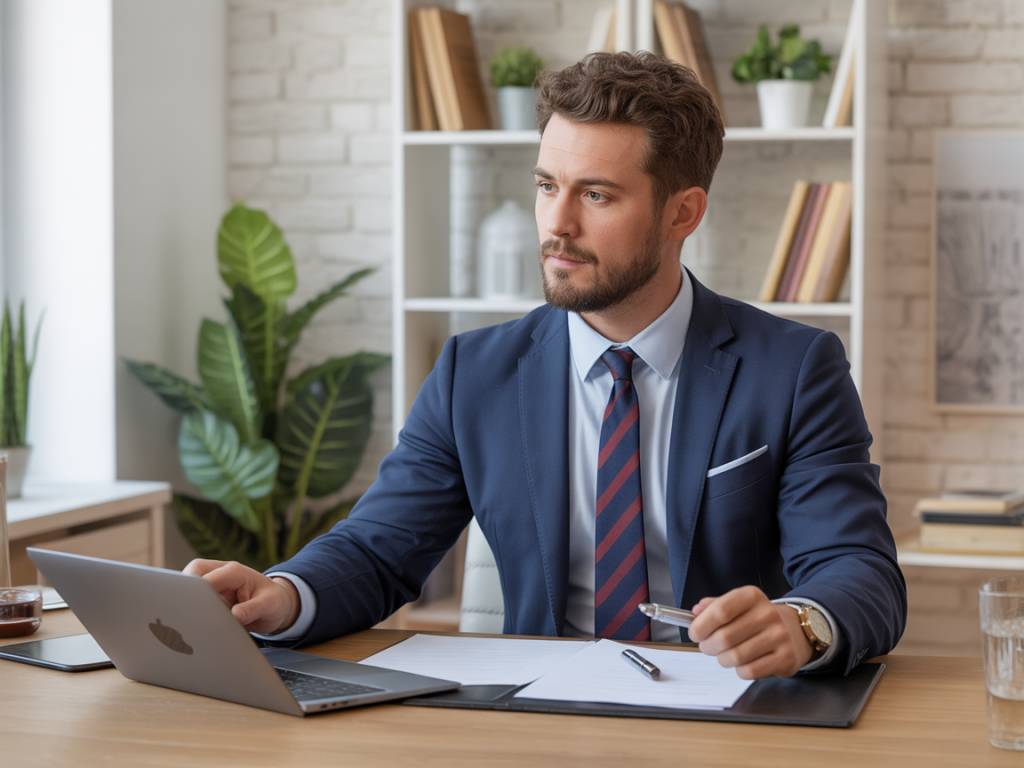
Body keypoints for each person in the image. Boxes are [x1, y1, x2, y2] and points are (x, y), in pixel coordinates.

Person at [186, 51, 906, 679]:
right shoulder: (476, 370)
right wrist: (281, 595)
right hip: (535, 713)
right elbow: (379, 550)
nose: (557, 225)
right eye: (545, 186)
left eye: (596, 194)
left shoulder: (793, 368)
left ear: (683, 213)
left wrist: (801, 625)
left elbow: (859, 571)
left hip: (725, 712)